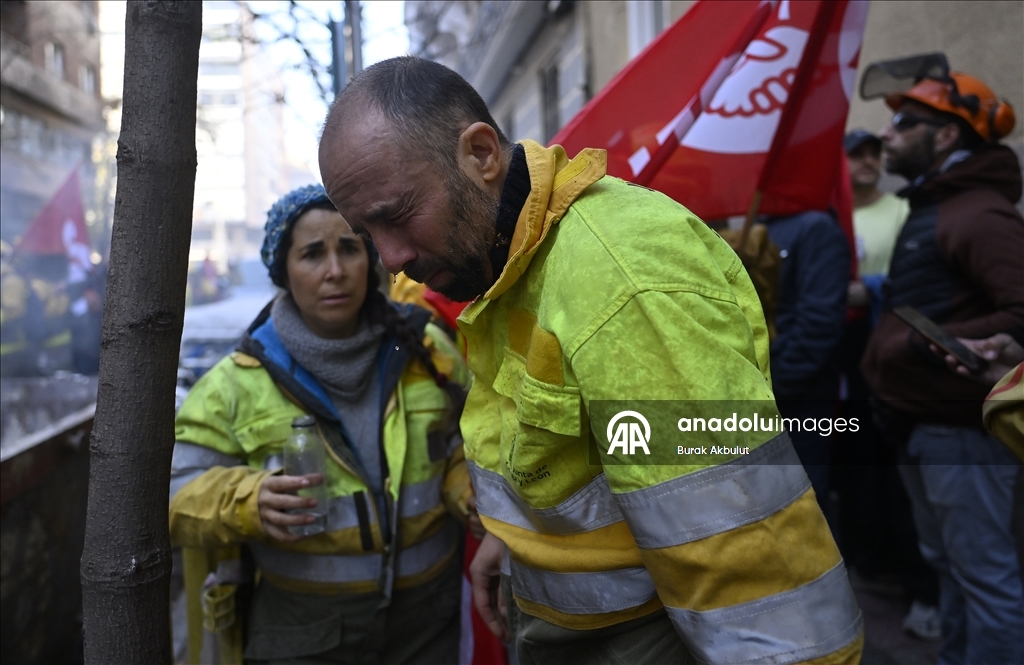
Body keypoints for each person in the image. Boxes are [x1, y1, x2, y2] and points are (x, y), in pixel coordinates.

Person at [319, 56, 862, 665]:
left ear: (480, 154)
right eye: (367, 232)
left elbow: (739, 554)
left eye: (395, 214)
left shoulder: (623, 278)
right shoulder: (507, 263)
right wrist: (518, 541)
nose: (389, 258)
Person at [168, 184, 473, 664]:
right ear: (283, 273)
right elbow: (172, 494)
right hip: (300, 635)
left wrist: (465, 488)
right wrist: (247, 500)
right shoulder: (237, 383)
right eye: (312, 254)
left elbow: (466, 441)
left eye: (349, 248)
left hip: (429, 627)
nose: (335, 271)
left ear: (370, 259)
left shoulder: (426, 350)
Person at [860, 63, 1024, 663]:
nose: (888, 134)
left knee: (987, 580)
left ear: (949, 137)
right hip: (928, 425)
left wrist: (930, 342)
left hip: (964, 434)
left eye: (906, 122)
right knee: (954, 572)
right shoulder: (939, 205)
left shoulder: (977, 213)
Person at [763, 209, 850, 507]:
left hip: (798, 398)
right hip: (763, 396)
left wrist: (783, 381)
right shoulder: (759, 226)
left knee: (804, 501)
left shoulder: (814, 228)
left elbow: (820, 319)